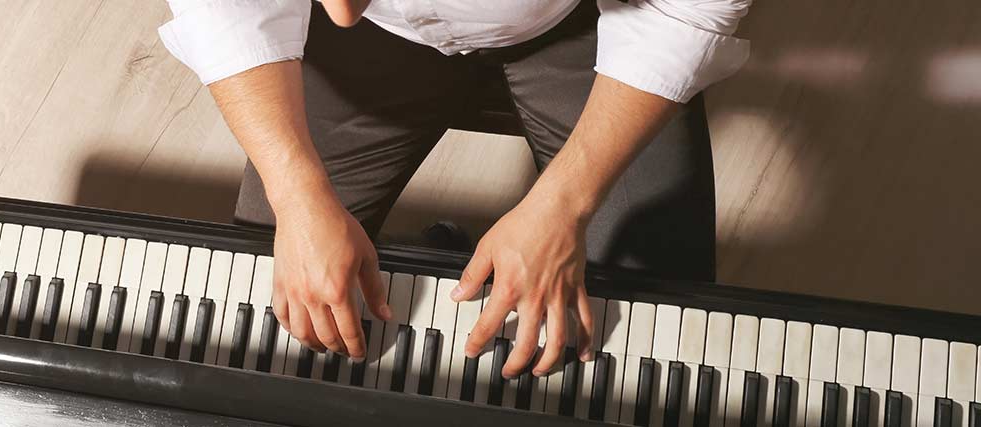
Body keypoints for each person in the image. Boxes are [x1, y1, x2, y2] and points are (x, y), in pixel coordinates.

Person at [157, 0, 751, 380]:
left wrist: (566, 201)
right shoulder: (345, 12)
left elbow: (688, 13)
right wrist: (294, 191)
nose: (335, 13)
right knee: (274, 309)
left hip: (592, 21)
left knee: (654, 316)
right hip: (381, 41)